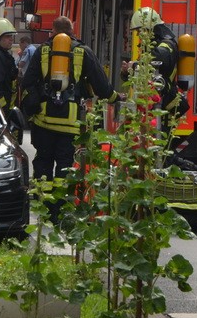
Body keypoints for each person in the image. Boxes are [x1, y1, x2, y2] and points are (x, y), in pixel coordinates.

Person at [20, 16, 123, 210]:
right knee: (65, 163)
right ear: (72, 31)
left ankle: (43, 203)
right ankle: (61, 205)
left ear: (52, 30)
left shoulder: (42, 51)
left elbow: (27, 83)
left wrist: (31, 110)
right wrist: (115, 98)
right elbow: (101, 85)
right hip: (70, 122)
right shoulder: (83, 52)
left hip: (43, 121)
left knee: (43, 159)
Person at [122, 7, 185, 125]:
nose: (138, 35)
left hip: (163, 108)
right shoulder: (151, 48)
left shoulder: (167, 44)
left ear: (148, 29)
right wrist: (127, 72)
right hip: (150, 106)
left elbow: (161, 59)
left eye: (139, 31)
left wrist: (135, 65)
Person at [0, 17, 19, 111]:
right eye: (7, 36)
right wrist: (2, 106)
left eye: (11, 36)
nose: (11, 39)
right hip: (1, 108)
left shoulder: (2, 54)